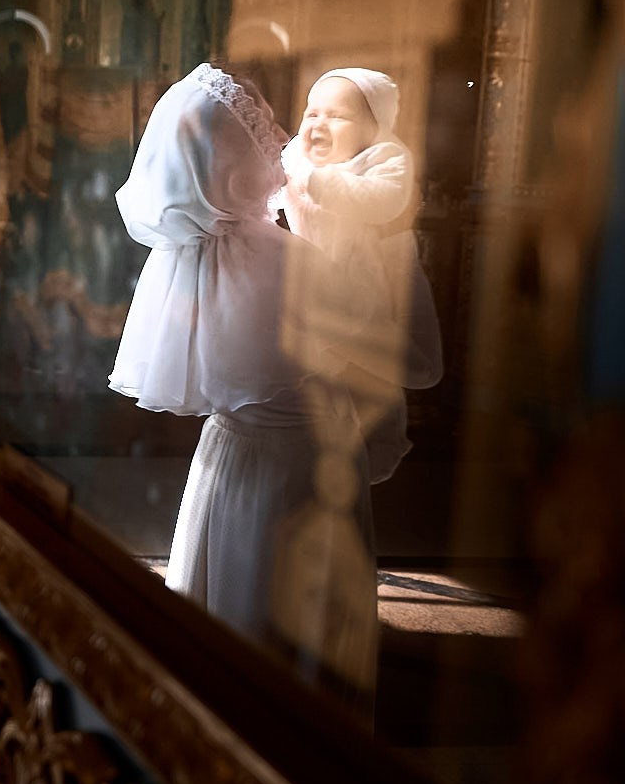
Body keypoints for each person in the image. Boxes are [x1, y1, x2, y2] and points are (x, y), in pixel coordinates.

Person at [108, 64, 382, 704]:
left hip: (225, 459)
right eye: (260, 130)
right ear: (233, 162)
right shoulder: (286, 256)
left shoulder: (191, 255)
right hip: (299, 472)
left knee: (224, 607)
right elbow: (361, 328)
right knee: (287, 634)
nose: (278, 135)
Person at [277, 68, 442, 484]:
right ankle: (318, 451)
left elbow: (382, 201)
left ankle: (379, 440)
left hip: (363, 277)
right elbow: (270, 192)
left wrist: (317, 182)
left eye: (337, 115)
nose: (318, 123)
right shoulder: (294, 155)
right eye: (312, 112)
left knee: (370, 366)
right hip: (305, 274)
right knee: (315, 371)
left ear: (374, 127)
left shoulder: (385, 157)